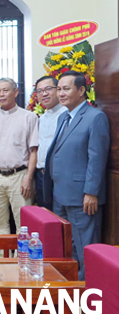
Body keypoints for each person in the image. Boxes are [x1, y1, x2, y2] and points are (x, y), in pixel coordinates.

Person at [44, 71, 110, 281]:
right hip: (60, 194)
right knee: (67, 248)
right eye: (59, 89)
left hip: (82, 197)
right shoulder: (64, 117)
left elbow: (97, 159)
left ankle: (88, 293)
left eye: (66, 89)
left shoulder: (95, 117)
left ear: (81, 91)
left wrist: (91, 192)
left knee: (85, 247)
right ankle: (70, 290)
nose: (61, 94)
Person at [0, 78, 38, 236]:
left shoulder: (29, 117)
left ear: (16, 92)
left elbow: (34, 151)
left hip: (19, 176)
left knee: (23, 225)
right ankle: (1, 259)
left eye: (5, 90)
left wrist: (28, 177)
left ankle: (21, 260)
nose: (1, 94)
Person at [34, 76, 65, 211]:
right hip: (41, 176)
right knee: (46, 216)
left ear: (58, 90)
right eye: (40, 91)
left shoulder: (67, 114)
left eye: (48, 89)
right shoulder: (41, 118)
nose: (44, 94)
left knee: (61, 217)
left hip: (60, 177)